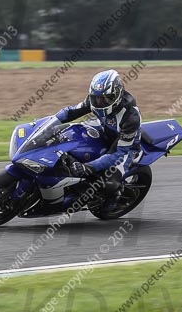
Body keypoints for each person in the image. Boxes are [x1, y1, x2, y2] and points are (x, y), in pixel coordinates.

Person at [55, 70, 142, 209]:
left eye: (106, 98)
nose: (100, 102)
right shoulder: (95, 100)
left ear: (118, 94)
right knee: (70, 137)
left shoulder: (131, 117)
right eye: (97, 98)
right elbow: (71, 112)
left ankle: (114, 198)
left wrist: (88, 167)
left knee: (110, 184)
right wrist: (49, 121)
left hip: (126, 148)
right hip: (105, 132)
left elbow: (117, 153)